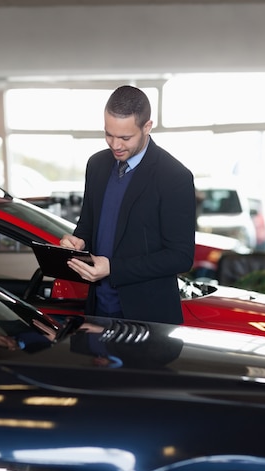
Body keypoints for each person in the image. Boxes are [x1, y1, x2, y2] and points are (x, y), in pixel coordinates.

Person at [60, 84, 196, 325]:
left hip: (149, 318)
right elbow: (88, 226)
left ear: (147, 127)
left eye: (125, 137)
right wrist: (78, 241)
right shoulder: (97, 165)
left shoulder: (174, 176)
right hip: (98, 310)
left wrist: (114, 268)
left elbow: (180, 257)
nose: (115, 145)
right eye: (108, 134)